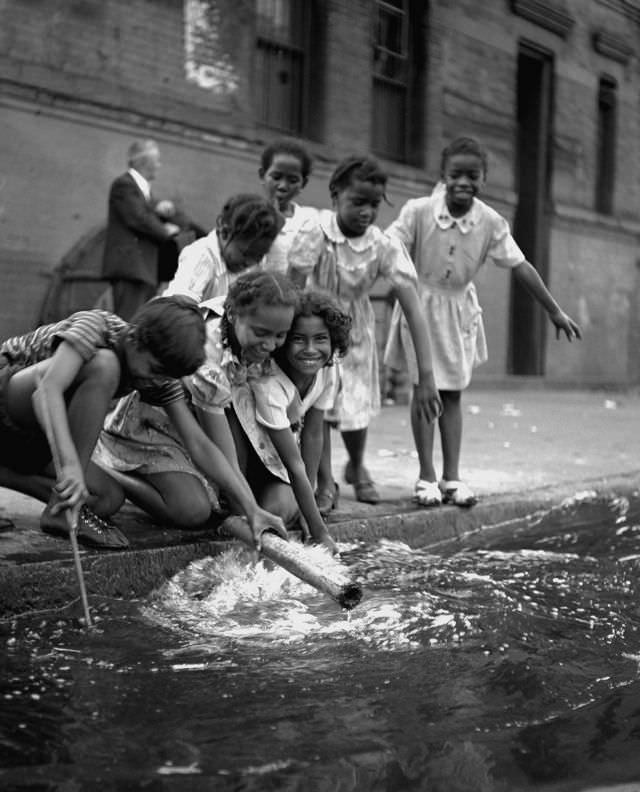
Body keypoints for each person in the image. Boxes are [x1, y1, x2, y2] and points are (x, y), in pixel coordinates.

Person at [385, 136, 581, 507]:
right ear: (443, 175)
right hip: (420, 305)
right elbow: (390, 242)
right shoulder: (419, 210)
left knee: (453, 392)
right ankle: (426, 475)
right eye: (456, 174)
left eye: (472, 175)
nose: (464, 182)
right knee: (423, 389)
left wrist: (553, 309)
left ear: (484, 179)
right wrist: (397, 276)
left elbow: (519, 264)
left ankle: (452, 478)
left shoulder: (489, 221)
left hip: (459, 310)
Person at [94, 271, 303, 546]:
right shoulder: (206, 359)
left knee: (266, 503)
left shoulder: (249, 327)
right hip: (149, 426)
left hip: (194, 424)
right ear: (231, 313)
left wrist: (251, 509)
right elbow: (211, 446)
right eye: (261, 333)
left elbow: (208, 441)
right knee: (193, 510)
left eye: (280, 336)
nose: (270, 344)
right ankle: (106, 469)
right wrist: (248, 510)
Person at [287, 155, 442, 510]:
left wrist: (426, 375)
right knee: (319, 405)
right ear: (336, 195)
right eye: (357, 202)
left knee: (354, 403)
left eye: (374, 204)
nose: (366, 212)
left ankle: (357, 465)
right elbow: (293, 286)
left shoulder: (383, 245)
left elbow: (413, 307)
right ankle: (325, 480)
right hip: (314, 324)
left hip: (355, 329)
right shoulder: (316, 231)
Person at [0, 297, 206, 549]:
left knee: (108, 497)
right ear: (133, 339)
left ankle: (53, 505)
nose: (157, 381)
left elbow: (198, 442)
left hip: (33, 439)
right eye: (155, 370)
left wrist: (249, 509)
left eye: (165, 376)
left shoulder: (155, 375)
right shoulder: (96, 326)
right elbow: (45, 392)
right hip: (10, 402)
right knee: (105, 366)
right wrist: (71, 466)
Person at [230, 290, 352, 553]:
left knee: (282, 508)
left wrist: (307, 508)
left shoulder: (328, 369)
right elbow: (294, 464)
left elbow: (313, 434)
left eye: (320, 339)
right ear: (282, 342)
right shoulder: (268, 383)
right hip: (245, 455)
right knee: (251, 508)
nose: (310, 350)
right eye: (298, 339)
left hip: (275, 462)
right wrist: (319, 530)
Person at [102, 139, 181, 320]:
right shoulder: (124, 185)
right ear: (144, 162)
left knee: (133, 323)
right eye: (157, 161)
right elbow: (137, 218)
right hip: (132, 269)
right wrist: (165, 231)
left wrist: (157, 207)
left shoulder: (141, 191)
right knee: (128, 323)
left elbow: (142, 211)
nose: (159, 166)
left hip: (141, 269)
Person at [163, 193, 284, 302]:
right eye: (246, 254)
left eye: (258, 256)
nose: (250, 262)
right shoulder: (201, 256)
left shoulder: (247, 264)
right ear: (225, 232)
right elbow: (179, 306)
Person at [258, 139, 318, 274]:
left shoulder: (307, 224)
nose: (283, 186)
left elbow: (301, 275)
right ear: (262, 175)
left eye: (293, 180)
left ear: (303, 183)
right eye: (276, 177)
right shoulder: (245, 213)